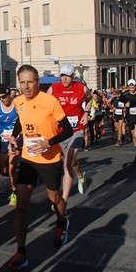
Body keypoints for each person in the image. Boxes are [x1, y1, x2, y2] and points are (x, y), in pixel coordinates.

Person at [7, 65, 73, 270]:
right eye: (22, 83)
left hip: (50, 159)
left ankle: (62, 222)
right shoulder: (18, 101)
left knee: (54, 199)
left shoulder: (49, 101)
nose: (26, 87)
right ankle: (21, 251)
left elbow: (68, 130)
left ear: (37, 82)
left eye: (30, 82)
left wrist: (49, 143)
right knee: (22, 205)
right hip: (28, 158)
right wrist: (14, 135)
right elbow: (21, 119)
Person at [48, 63, 91, 201]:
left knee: (68, 162)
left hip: (76, 130)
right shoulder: (53, 89)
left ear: (73, 76)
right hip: (59, 132)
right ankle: (80, 176)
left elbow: (90, 100)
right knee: (72, 163)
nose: (64, 79)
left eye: (67, 76)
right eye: (62, 75)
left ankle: (63, 200)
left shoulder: (82, 88)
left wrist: (86, 113)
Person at [0, 85, 19, 206]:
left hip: (15, 141)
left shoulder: (17, 105)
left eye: (3, 97)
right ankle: (19, 180)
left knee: (12, 168)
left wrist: (18, 135)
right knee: (3, 171)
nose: (1, 100)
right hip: (3, 140)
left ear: (9, 95)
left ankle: (15, 193)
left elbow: (24, 121)